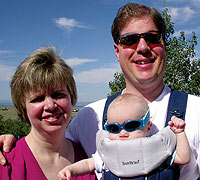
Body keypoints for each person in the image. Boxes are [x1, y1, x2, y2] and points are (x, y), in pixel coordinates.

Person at [0, 3, 200, 180]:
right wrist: (7, 143)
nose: (142, 47)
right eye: (129, 40)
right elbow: (49, 142)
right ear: (117, 50)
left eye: (152, 38)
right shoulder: (90, 117)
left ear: (164, 44)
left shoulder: (196, 111)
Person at [0, 47, 95, 180]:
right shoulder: (6, 164)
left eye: (58, 95)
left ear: (71, 97)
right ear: (23, 107)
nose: (50, 105)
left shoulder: (90, 157)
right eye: (37, 98)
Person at [57, 93, 190, 180]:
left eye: (131, 125)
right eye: (113, 128)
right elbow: (87, 164)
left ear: (148, 127)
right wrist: (70, 169)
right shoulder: (108, 153)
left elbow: (183, 158)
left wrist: (180, 133)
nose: (122, 133)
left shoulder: (157, 147)